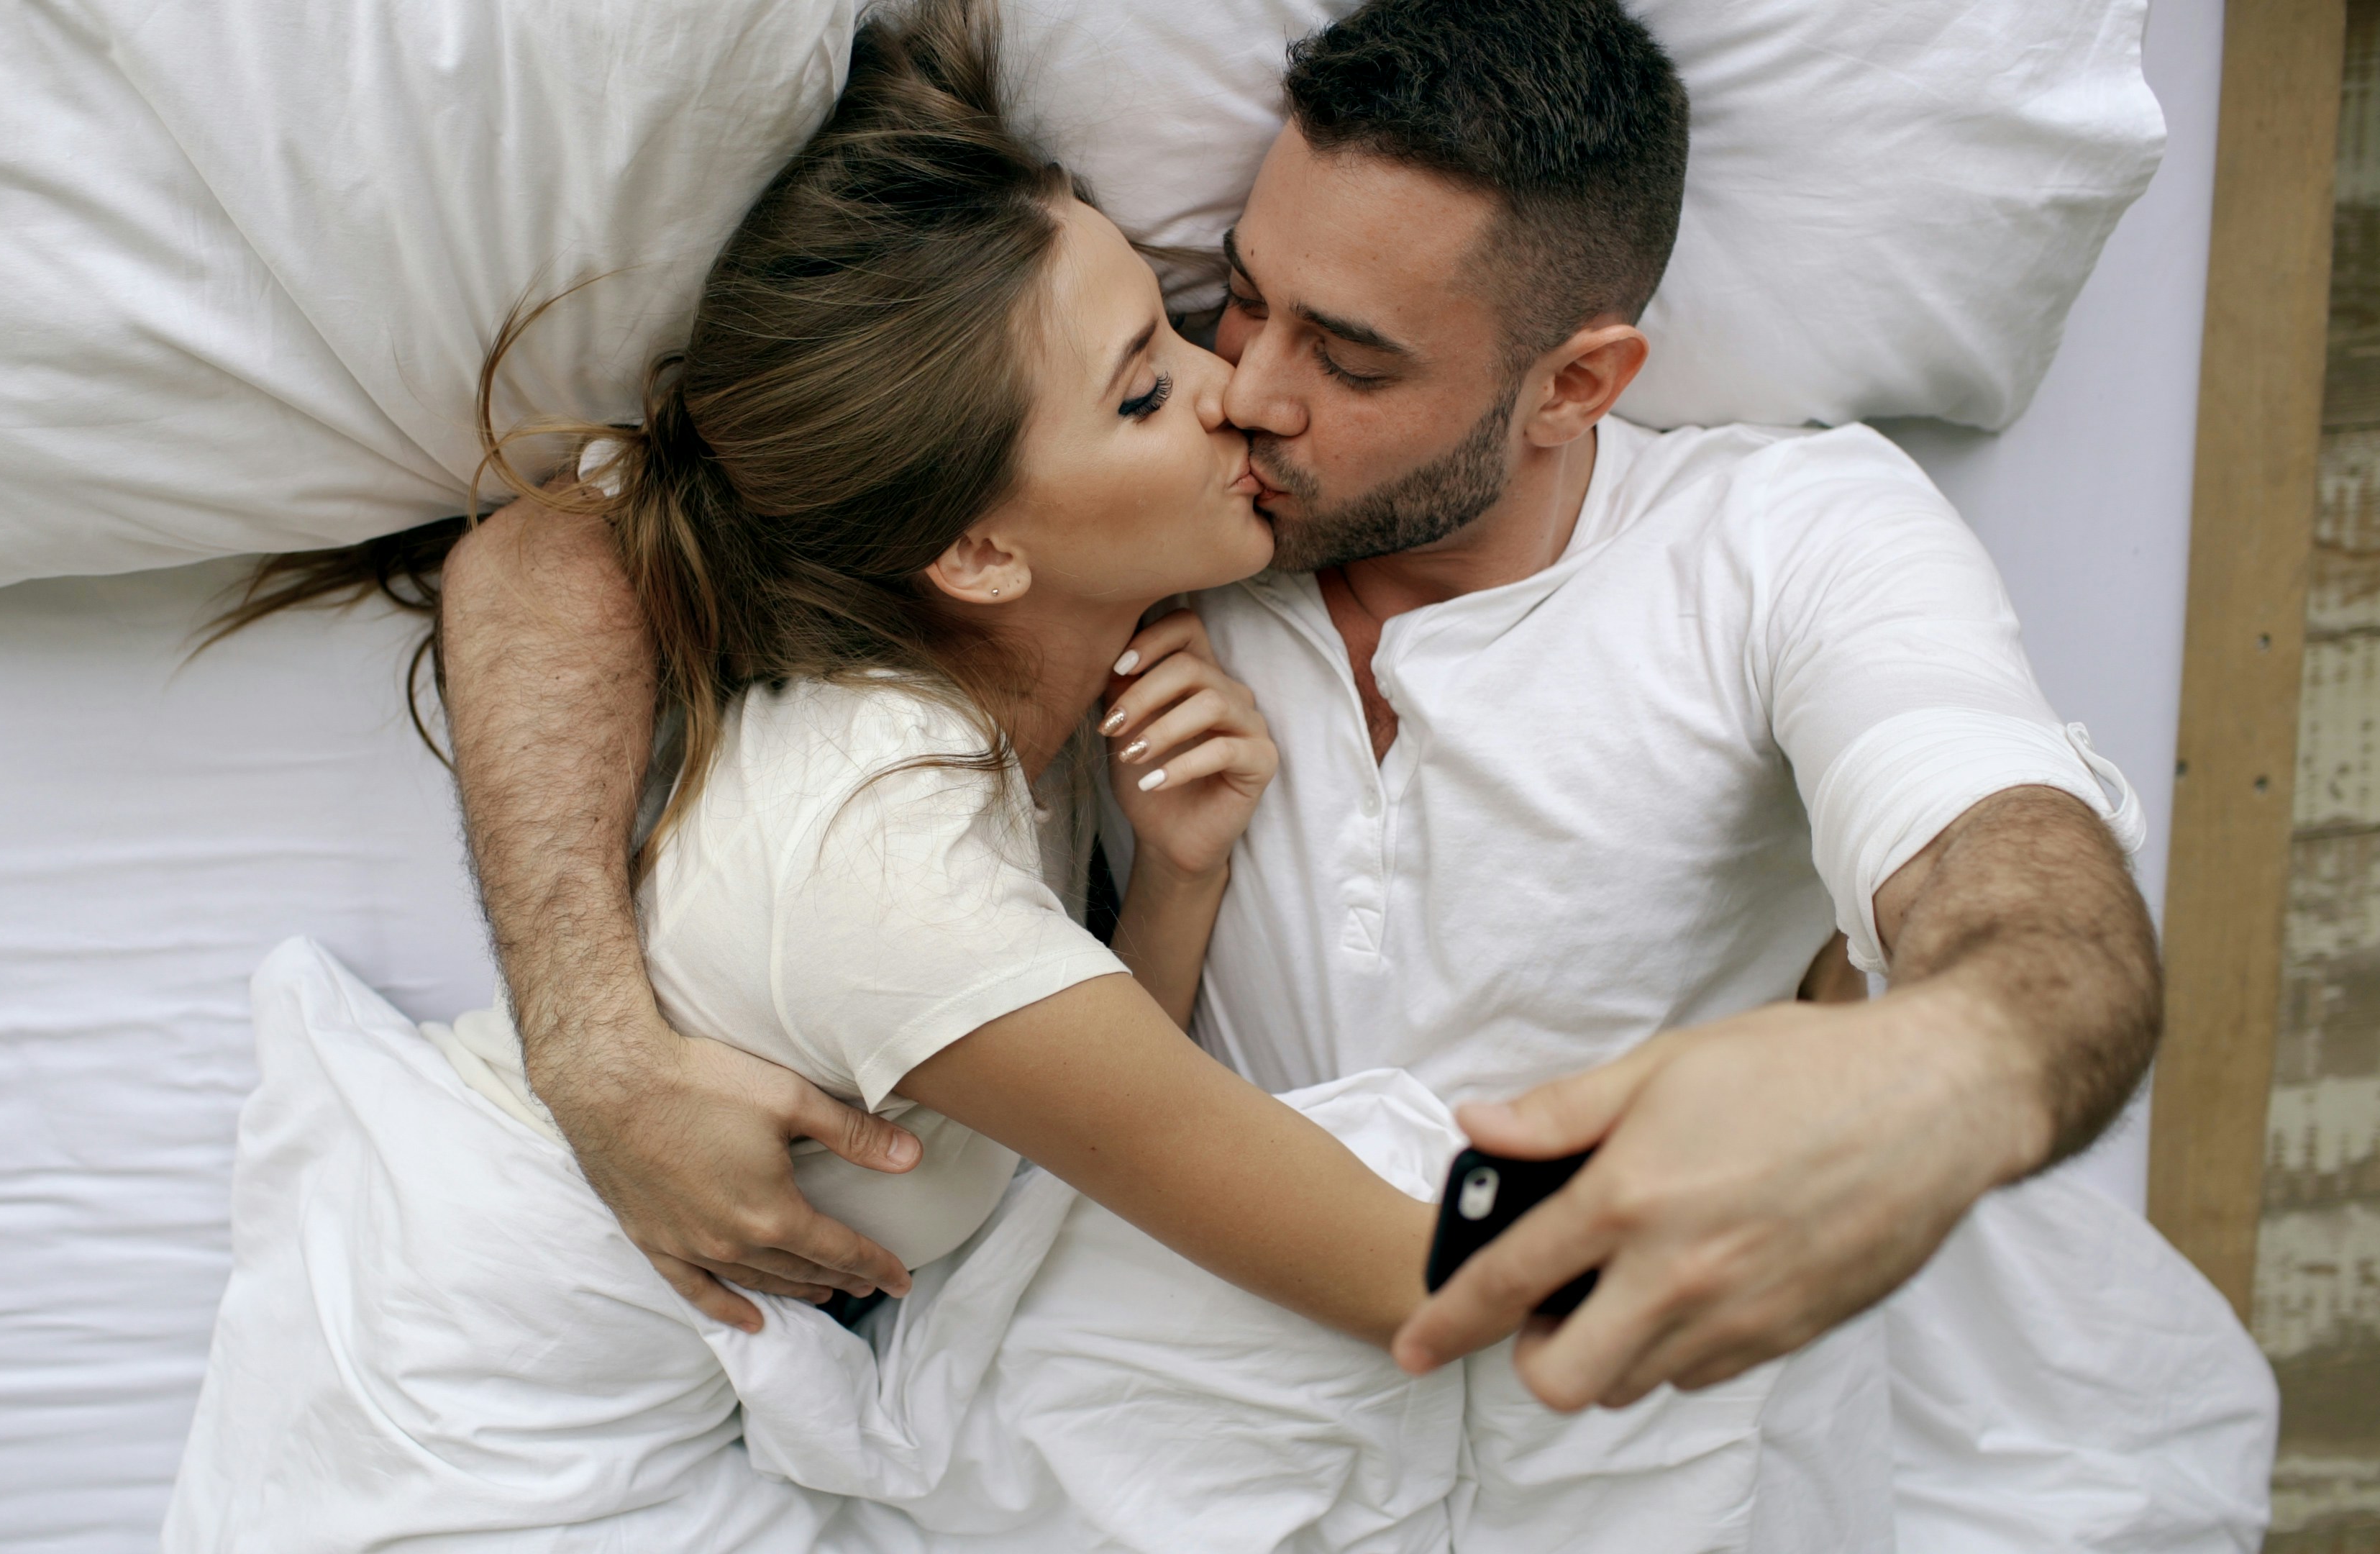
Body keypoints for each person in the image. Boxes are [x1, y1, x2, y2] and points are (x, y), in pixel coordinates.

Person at [431, 0, 2160, 1545]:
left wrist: (1949, 1064)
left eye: (1350, 357)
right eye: (1235, 298)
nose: (1248, 392)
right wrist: (592, 1035)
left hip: (1617, 1444)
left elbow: (2010, 856)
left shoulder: (1786, 543)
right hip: (1155, 1425)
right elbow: (553, 557)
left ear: (1580, 382)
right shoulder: (1131, 534)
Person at [170, 5, 1526, 1545]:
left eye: (1174, 323)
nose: (1236, 393)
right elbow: (1397, 1267)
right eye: (1143, 390)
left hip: (702, 1388)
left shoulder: (1004, 698)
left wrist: (1176, 876)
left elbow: (1063, 1120)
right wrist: (1795, 1119)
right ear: (980, 550)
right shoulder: (884, 854)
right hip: (478, 1429)